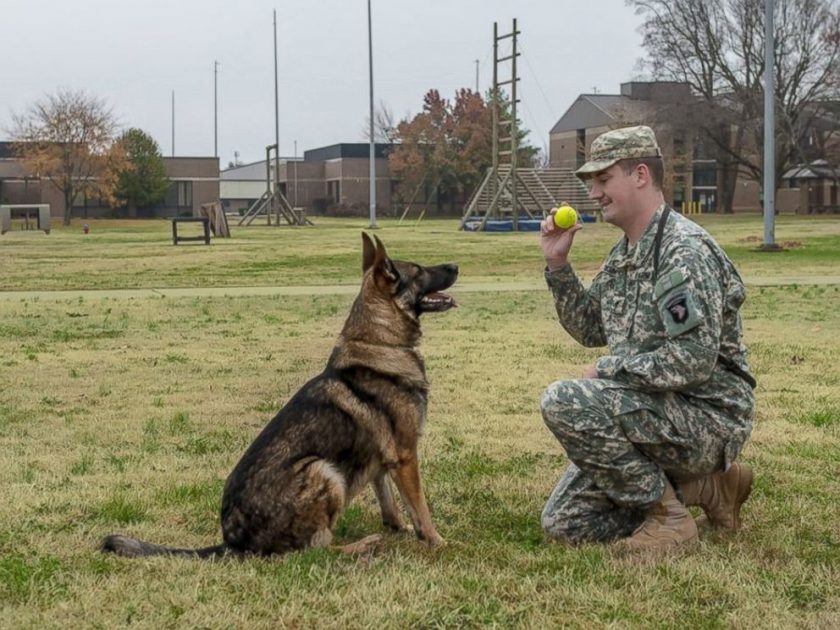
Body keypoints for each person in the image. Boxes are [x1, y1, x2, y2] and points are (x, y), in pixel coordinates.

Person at [538, 125, 755, 550]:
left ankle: (668, 518)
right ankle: (709, 488)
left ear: (640, 175)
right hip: (653, 410)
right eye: (591, 183)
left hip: (707, 415)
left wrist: (607, 368)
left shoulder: (682, 250)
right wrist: (558, 266)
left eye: (603, 179)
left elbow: (693, 359)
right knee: (566, 523)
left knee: (563, 400)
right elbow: (590, 328)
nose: (594, 193)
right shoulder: (626, 252)